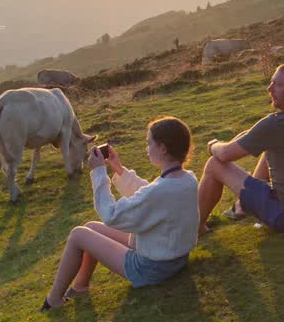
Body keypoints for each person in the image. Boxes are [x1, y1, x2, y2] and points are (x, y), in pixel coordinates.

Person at [40, 116, 198, 310]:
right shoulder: (188, 179)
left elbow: (111, 215)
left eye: (149, 143)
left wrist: (99, 172)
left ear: (163, 148)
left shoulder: (160, 191)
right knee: (90, 228)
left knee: (77, 234)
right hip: (176, 259)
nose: (146, 148)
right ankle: (80, 286)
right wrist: (119, 170)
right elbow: (150, 196)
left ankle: (53, 300)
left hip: (152, 269)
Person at [197, 63, 284, 234]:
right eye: (271, 82)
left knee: (214, 165)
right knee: (270, 148)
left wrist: (212, 145)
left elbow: (224, 154)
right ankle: (242, 206)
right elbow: (256, 136)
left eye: (278, 85)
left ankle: (197, 227)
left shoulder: (277, 124)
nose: (270, 89)